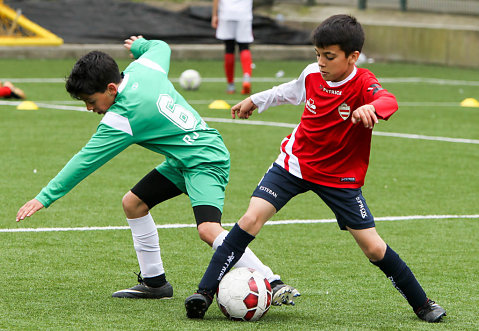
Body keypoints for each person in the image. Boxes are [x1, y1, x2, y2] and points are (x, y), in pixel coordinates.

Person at [185, 15, 446, 323]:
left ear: (353, 57)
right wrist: (256, 100)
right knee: (250, 219)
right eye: (318, 54)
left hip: (340, 178)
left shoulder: (363, 83)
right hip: (293, 165)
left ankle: (422, 304)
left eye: (329, 56)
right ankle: (204, 293)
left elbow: (388, 100)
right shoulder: (312, 74)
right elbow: (288, 91)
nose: (321, 62)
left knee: (374, 249)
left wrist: (372, 107)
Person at [15, 36, 298, 303]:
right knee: (133, 203)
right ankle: (155, 283)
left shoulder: (122, 118)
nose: (90, 108)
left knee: (208, 229)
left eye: (91, 101)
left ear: (111, 89)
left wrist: (45, 196)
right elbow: (160, 47)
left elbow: (84, 161)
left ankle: (272, 282)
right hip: (183, 159)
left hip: (204, 160)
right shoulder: (143, 68)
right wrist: (141, 45)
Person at [211, 0, 253, 94]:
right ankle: (246, 79)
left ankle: (230, 85)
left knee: (229, 48)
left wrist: (214, 15)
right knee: (244, 47)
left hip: (226, 13)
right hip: (244, 13)